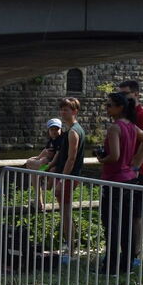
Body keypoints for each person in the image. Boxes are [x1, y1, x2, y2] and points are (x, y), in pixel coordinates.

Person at [97, 92, 143, 274]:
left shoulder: (115, 128)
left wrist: (101, 158)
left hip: (113, 181)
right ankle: (127, 265)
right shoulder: (132, 126)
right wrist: (136, 162)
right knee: (126, 224)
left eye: (109, 105)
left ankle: (111, 267)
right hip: (129, 179)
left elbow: (114, 156)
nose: (107, 108)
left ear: (119, 108)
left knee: (111, 225)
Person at [118, 79, 143, 267]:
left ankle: (136, 255)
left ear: (136, 94)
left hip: (139, 173)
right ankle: (125, 253)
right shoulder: (126, 115)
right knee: (123, 214)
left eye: (125, 94)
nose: (122, 98)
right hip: (124, 173)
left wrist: (134, 167)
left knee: (136, 215)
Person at [49, 97, 85, 263]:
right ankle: (70, 246)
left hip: (68, 178)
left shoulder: (72, 132)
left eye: (67, 110)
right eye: (62, 109)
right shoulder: (74, 129)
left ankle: (70, 251)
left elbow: (71, 158)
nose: (63, 112)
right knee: (66, 213)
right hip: (69, 176)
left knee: (65, 213)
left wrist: (62, 180)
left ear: (75, 111)